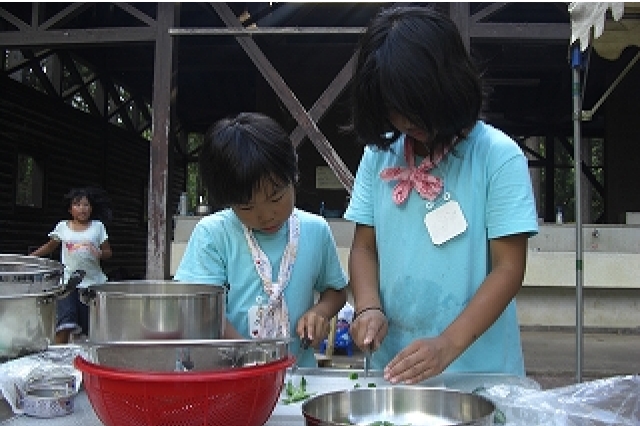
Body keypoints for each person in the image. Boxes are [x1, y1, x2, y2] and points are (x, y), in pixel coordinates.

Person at [344, 5, 539, 384]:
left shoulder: (498, 157)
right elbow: (364, 247)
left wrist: (447, 344)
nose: (404, 122)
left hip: (480, 375)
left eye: (415, 109)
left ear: (449, 88)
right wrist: (368, 307)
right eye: (393, 110)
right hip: (394, 370)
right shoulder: (378, 156)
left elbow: (508, 268)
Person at [174, 112, 348, 368]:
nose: (266, 215)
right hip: (228, 375)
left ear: (293, 176)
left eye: (276, 198)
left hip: (296, 375)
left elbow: (336, 291)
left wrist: (319, 313)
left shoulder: (316, 230)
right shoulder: (213, 234)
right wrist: (250, 358)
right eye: (246, 206)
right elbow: (199, 309)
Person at [30, 186, 113, 344]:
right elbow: (49, 247)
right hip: (68, 283)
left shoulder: (98, 227)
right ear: (70, 209)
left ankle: (86, 358)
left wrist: (100, 253)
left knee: (89, 326)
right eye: (77, 205)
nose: (82, 209)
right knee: (65, 323)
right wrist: (31, 258)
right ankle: (57, 357)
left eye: (86, 205)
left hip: (92, 284)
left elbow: (108, 252)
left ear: (91, 208)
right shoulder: (62, 227)